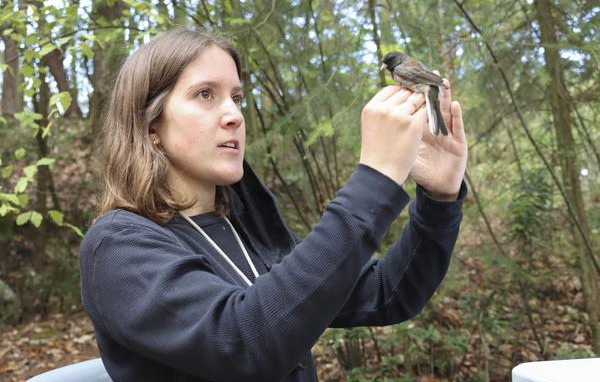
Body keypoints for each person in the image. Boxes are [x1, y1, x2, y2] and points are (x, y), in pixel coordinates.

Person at [79, 29, 468, 382]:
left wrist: (439, 197)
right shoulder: (118, 248)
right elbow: (245, 343)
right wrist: (376, 178)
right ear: (151, 126)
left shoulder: (247, 232)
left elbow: (386, 293)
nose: (233, 115)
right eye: (205, 95)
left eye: (236, 98)